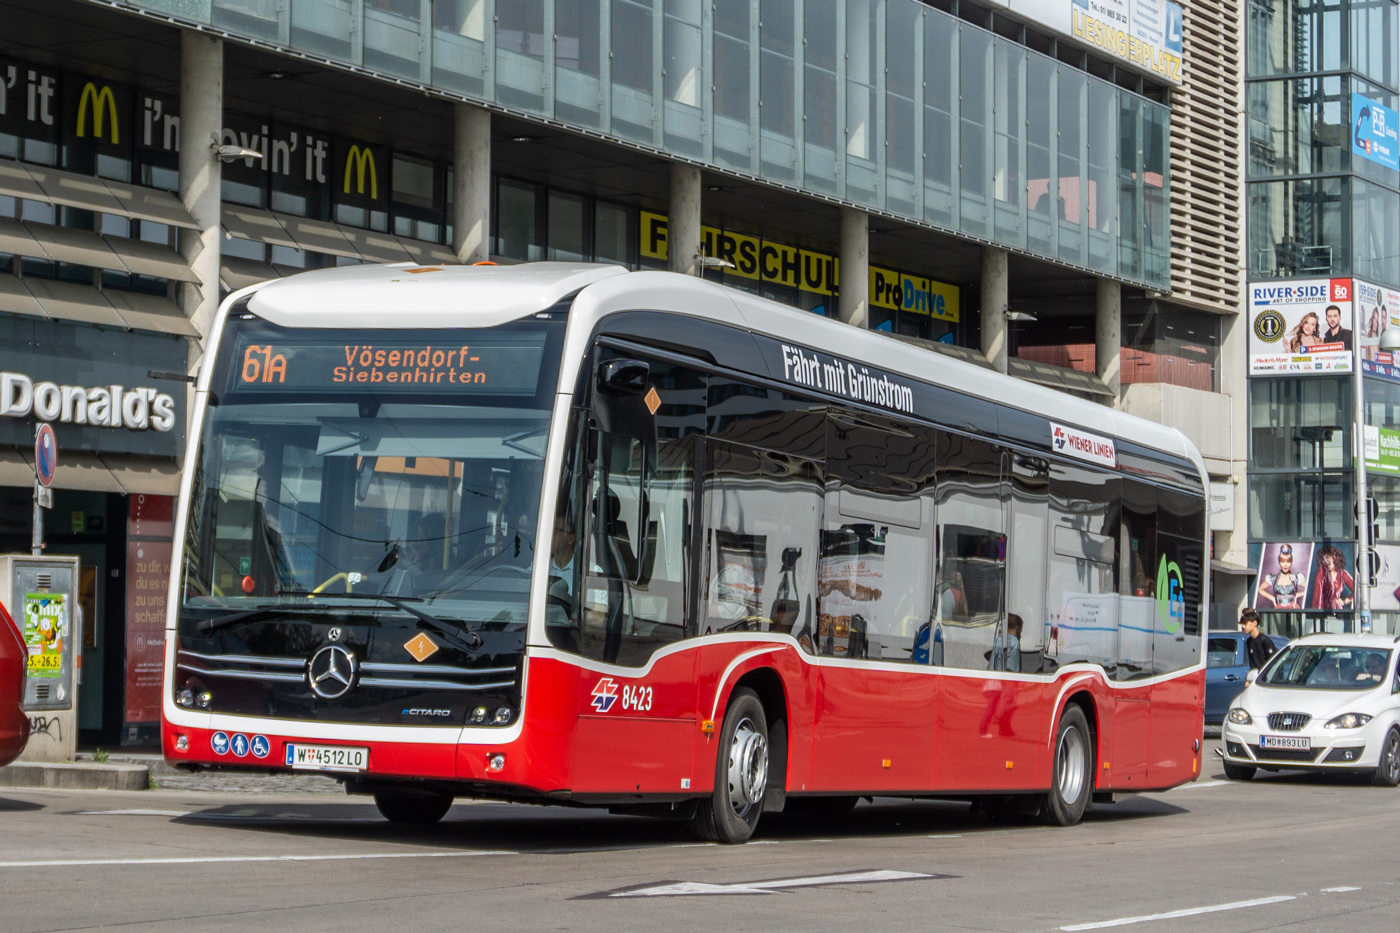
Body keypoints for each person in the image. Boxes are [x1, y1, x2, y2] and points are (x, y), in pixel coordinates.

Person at [1258, 544, 1304, 609]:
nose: (1285, 564)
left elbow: (1308, 588)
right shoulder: (1273, 579)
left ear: (1291, 563)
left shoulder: (1297, 578)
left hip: (1293, 611)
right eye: (1283, 562)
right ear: (1279, 563)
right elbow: (1260, 589)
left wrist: (1297, 595)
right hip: (1279, 611)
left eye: (1288, 562)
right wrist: (1273, 598)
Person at [1311, 545, 1354, 610]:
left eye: (1327, 557)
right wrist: (1316, 613)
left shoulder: (1343, 574)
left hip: (1338, 610)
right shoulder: (1321, 571)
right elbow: (1317, 597)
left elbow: (1357, 590)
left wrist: (1345, 601)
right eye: (1323, 559)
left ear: (1334, 557)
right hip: (1324, 610)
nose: (1325, 561)